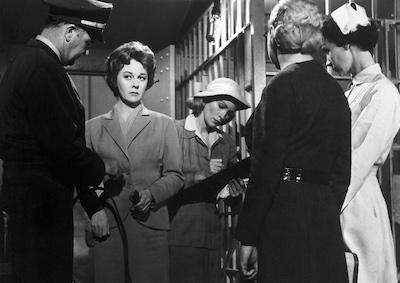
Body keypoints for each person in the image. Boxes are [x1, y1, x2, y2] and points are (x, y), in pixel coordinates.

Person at [235, 0, 351, 282]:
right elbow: (342, 174)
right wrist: (320, 208)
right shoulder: (336, 94)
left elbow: (264, 170)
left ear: (274, 40)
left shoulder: (280, 87)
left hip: (282, 216)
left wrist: (248, 236)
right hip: (324, 219)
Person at [0, 0, 113, 282]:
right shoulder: (43, 68)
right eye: (87, 41)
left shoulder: (29, 61)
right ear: (69, 32)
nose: (87, 50)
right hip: (41, 210)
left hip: (30, 205)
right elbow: (63, 147)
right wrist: (104, 167)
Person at [85, 40, 184, 283]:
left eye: (141, 77)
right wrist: (95, 210)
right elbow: (84, 179)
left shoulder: (164, 124)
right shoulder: (92, 128)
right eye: (128, 76)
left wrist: (152, 194)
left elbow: (176, 176)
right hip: (106, 226)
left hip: (150, 225)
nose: (135, 83)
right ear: (114, 78)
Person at [321, 3, 400, 282]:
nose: (328, 59)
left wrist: (323, 209)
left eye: (329, 49)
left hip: (358, 202)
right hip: (341, 200)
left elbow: (359, 160)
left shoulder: (385, 93)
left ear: (349, 44)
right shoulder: (351, 92)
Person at [168, 77, 249, 283]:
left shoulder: (227, 143)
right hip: (179, 233)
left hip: (214, 236)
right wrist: (199, 175)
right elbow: (159, 182)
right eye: (221, 106)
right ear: (205, 101)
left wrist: (234, 193)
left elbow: (227, 193)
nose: (223, 115)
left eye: (230, 113)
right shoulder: (174, 132)